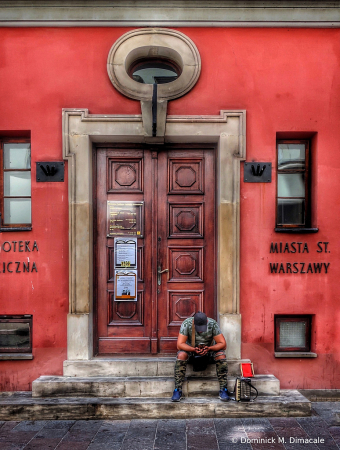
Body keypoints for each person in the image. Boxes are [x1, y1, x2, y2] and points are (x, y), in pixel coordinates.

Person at [171, 311, 229, 402]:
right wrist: (193, 349)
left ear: (207, 322)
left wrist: (209, 348)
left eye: (203, 327)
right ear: (193, 322)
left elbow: (223, 344)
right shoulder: (187, 324)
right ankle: (177, 389)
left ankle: (224, 389)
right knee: (181, 355)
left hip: (209, 351)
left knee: (221, 355)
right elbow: (179, 345)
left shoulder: (213, 324)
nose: (201, 330)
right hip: (191, 350)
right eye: (198, 327)